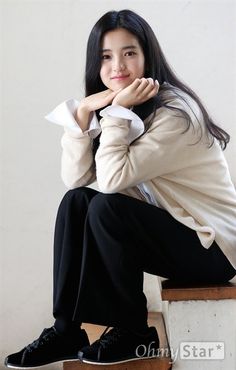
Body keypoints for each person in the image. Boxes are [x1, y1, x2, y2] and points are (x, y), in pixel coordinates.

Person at [5, 8, 236, 368]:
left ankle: (133, 331)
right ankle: (66, 330)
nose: (118, 67)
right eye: (106, 56)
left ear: (148, 57)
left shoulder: (175, 113)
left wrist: (113, 114)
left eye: (129, 53)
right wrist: (81, 117)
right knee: (78, 201)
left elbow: (112, 182)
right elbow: (76, 178)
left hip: (214, 250)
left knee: (107, 206)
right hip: (182, 237)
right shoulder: (127, 106)